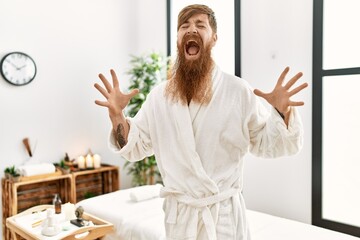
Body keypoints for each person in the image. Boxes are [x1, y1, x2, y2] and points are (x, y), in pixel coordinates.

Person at [94, 4, 308, 240]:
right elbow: (135, 147)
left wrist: (280, 111)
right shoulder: (159, 97)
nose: (191, 30)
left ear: (213, 38)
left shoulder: (237, 91)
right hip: (181, 221)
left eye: (200, 25)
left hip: (224, 219)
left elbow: (270, 144)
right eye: (184, 26)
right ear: (177, 39)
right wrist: (116, 116)